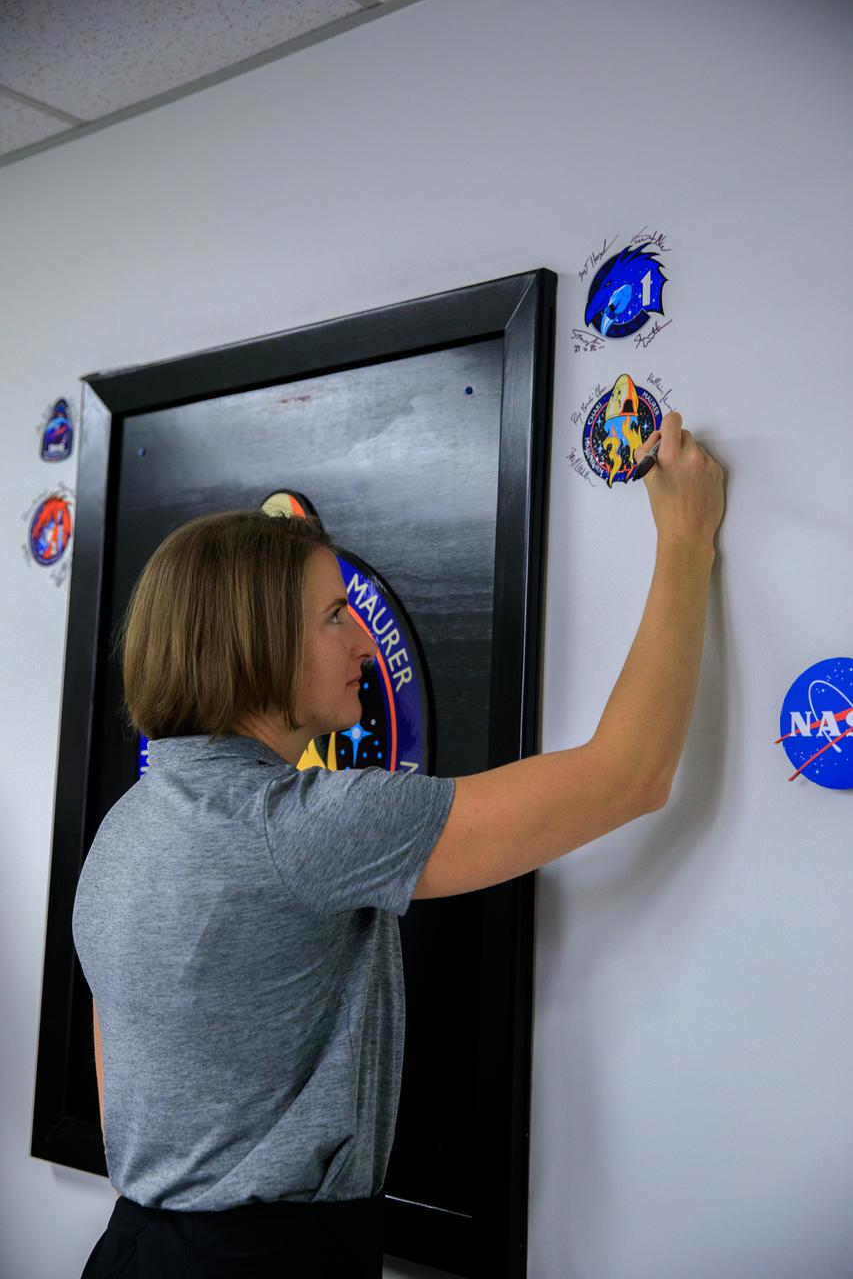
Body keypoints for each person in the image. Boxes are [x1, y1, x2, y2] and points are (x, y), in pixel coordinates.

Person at [72, 410, 724, 1278]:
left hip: (135, 1245)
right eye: (333, 616)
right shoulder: (300, 826)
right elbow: (628, 775)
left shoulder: (128, 825)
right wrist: (685, 541)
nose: (358, 640)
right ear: (256, 644)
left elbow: (124, 1080)